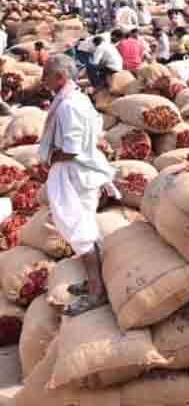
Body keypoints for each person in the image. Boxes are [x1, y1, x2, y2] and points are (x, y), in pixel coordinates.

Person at [37, 54, 117, 315]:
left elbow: (71, 149)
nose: (42, 78)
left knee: (79, 232)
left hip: (74, 173)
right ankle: (97, 281)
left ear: (60, 77)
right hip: (80, 171)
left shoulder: (68, 105)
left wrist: (50, 157)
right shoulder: (77, 98)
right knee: (85, 228)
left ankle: (96, 292)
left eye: (47, 74)